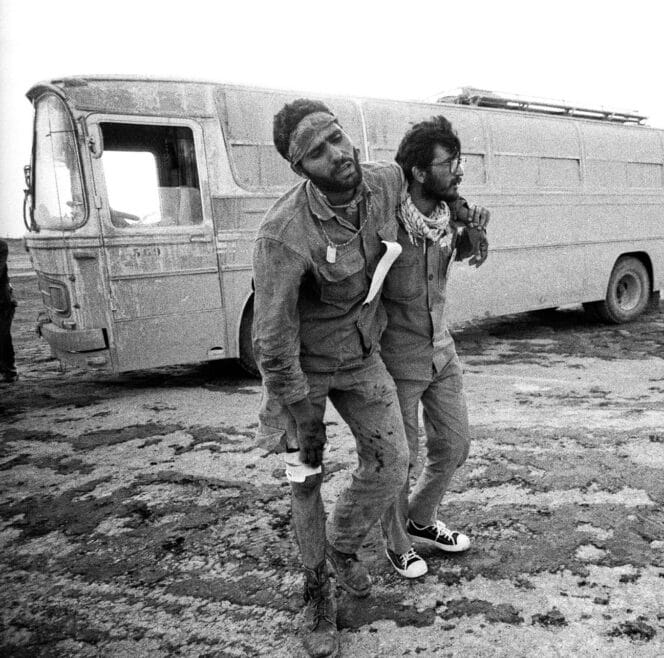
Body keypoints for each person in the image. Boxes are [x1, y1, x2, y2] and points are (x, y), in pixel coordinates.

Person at [252, 99, 409, 658]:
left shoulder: (384, 183)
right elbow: (271, 339)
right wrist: (301, 412)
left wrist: (463, 211)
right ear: (300, 169)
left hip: (362, 355)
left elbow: (423, 191)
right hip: (301, 373)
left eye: (337, 138)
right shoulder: (283, 234)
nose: (338, 154)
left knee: (394, 461)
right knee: (306, 478)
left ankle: (342, 546)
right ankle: (316, 590)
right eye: (318, 151)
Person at [377, 116, 489, 579]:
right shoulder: (388, 221)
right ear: (420, 172)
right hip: (397, 359)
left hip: (442, 352)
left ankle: (421, 519)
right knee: (396, 458)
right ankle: (396, 541)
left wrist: (475, 230)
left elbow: (454, 257)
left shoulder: (446, 217)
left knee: (456, 444)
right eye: (449, 164)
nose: (458, 172)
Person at [0, 239, 17, 384]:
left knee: (2, 336)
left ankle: (9, 371)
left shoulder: (1, 245)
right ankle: (8, 370)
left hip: (2, 302)